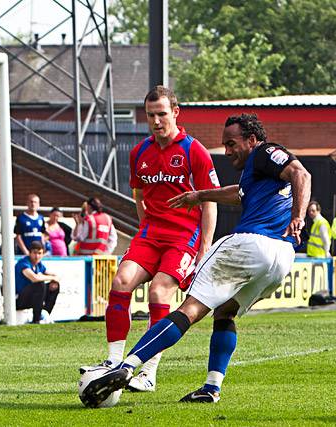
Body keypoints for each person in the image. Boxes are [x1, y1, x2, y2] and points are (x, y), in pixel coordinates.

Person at [81, 113, 311, 407]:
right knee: (225, 312)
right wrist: (200, 195)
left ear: (252, 140)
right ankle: (211, 387)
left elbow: (302, 174)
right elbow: (239, 195)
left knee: (189, 309)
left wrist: (298, 217)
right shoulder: (259, 174)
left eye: (231, 144)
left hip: (250, 243)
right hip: (281, 258)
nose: (227, 152)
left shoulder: (265, 152)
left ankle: (126, 367)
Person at [82, 86, 219, 393]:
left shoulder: (193, 150)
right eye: (150, 115)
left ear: (175, 113)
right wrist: (145, 229)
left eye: (162, 114)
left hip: (185, 235)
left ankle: (149, 372)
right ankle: (113, 362)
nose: (156, 121)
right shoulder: (139, 152)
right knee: (120, 282)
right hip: (151, 233)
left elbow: (210, 201)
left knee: (159, 292)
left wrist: (204, 247)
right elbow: (139, 195)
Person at [15, 240, 60, 324]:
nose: (37, 256)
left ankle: (45, 314)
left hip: (32, 298)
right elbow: (34, 278)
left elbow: (56, 276)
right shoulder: (23, 263)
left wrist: (54, 280)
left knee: (54, 286)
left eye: (39, 253)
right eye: (34, 253)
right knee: (39, 285)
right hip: (19, 299)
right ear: (29, 253)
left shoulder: (39, 265)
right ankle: (36, 319)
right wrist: (50, 277)